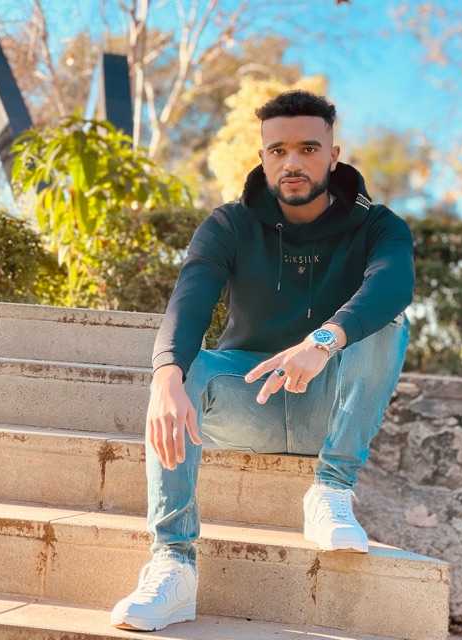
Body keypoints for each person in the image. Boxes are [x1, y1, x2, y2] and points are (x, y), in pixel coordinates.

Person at [110, 90, 414, 632]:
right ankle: (173, 564)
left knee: (388, 322)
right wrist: (165, 375)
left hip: (330, 406)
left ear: (333, 155)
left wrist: (323, 341)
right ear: (263, 157)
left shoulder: (379, 225)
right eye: (278, 151)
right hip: (248, 398)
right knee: (184, 370)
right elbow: (190, 299)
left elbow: (393, 285)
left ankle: (331, 489)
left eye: (307, 149)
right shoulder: (229, 224)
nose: (292, 162)